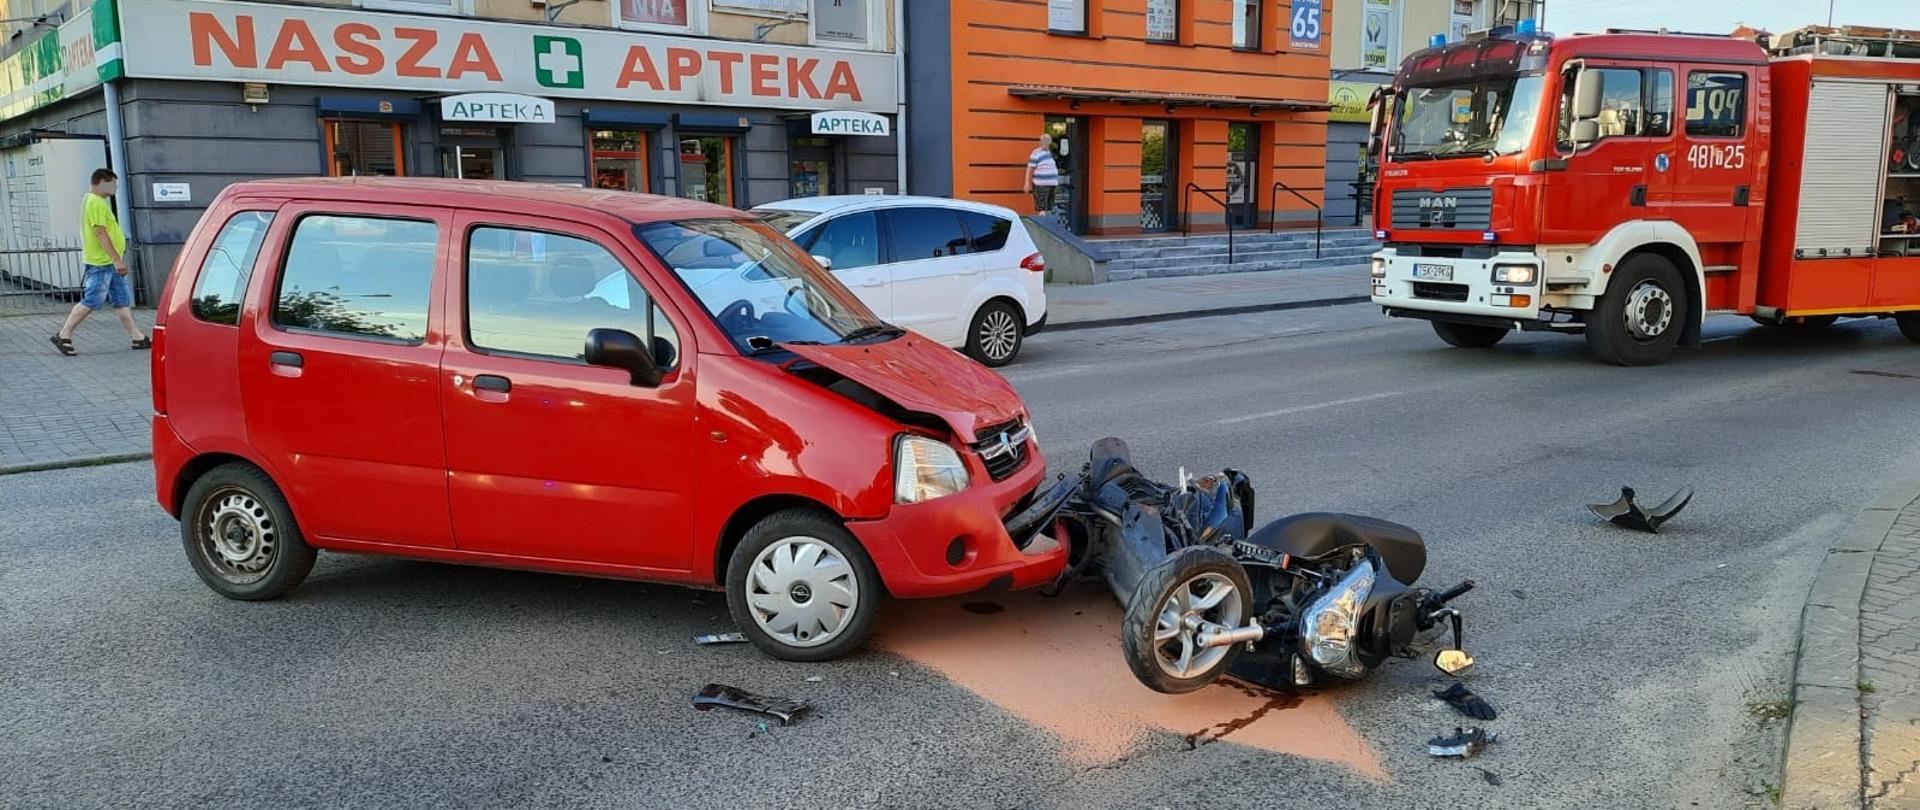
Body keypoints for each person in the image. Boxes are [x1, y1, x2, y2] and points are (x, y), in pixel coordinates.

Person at [51, 168, 149, 355]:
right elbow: (100, 233)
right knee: (93, 299)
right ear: (103, 181)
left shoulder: (94, 200)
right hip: (102, 262)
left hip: (108, 262)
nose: (116, 188)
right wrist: (117, 260)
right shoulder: (95, 202)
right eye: (113, 184)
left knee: (121, 300)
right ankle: (64, 334)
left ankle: (137, 337)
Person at [1023, 133, 1061, 217]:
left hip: (1051, 184)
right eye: (1044, 141)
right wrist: (1027, 183)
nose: (1046, 143)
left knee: (1049, 208)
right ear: (1040, 142)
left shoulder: (1049, 153)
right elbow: (1029, 168)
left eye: (1047, 141)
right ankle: (1042, 226)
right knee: (1042, 208)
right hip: (1041, 185)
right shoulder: (1036, 153)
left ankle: (1048, 226)